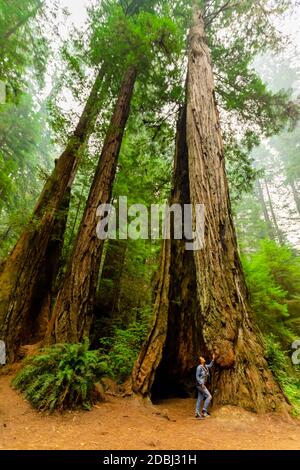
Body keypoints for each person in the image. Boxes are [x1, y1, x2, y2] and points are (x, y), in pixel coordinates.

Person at [195, 353, 215, 419]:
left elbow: (210, 365)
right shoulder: (199, 367)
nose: (203, 359)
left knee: (199, 399)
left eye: (203, 358)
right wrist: (201, 384)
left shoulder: (205, 366)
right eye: (201, 358)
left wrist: (213, 359)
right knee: (209, 396)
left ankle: (197, 414)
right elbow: (197, 377)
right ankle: (204, 411)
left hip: (202, 385)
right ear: (200, 361)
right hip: (200, 385)